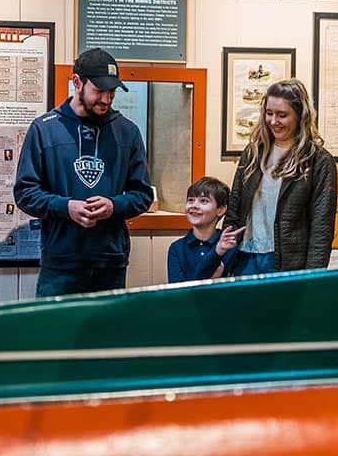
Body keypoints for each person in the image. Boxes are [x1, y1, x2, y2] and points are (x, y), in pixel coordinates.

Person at [14, 47, 153, 296]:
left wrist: (113, 206)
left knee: (108, 324)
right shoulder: (44, 130)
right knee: (53, 323)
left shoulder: (127, 132)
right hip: (60, 263)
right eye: (99, 90)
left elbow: (142, 195)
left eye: (112, 92)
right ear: (77, 82)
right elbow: (25, 193)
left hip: (110, 262)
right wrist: (66, 207)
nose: (106, 99)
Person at [224, 79, 337, 275]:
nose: (273, 121)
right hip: (245, 257)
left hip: (288, 263)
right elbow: (234, 208)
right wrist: (225, 258)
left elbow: (322, 228)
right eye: (269, 113)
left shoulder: (318, 160)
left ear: (300, 116)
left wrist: (313, 277)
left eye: (282, 115)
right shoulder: (253, 153)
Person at [167, 177, 245, 284]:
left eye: (204, 201)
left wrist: (219, 250)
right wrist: (211, 279)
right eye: (190, 200)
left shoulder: (230, 246)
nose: (194, 205)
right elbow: (178, 291)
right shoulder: (177, 248)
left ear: (221, 210)